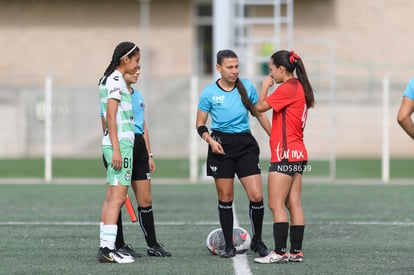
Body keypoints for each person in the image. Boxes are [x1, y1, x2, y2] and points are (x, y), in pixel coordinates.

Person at [196, 49, 272, 258]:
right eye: (229, 67)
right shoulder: (209, 93)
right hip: (220, 146)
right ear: (219, 68)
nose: (234, 71)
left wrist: (275, 137)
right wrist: (210, 141)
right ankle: (228, 245)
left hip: (245, 145)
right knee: (226, 197)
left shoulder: (246, 87)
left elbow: (259, 114)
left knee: (256, 196)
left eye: (236, 66)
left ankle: (257, 241)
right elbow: (200, 125)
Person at [254, 50, 315, 264]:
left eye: (271, 70)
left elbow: (260, 107)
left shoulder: (288, 87)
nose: (270, 74)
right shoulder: (299, 86)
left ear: (281, 69)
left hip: (285, 154)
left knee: (275, 203)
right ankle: (295, 251)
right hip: (298, 152)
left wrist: (264, 86)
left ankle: (280, 252)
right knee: (293, 203)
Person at [98, 41, 139, 264]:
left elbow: (104, 117)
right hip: (120, 144)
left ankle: (105, 246)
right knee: (118, 198)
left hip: (116, 143)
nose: (137, 65)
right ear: (126, 60)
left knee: (110, 197)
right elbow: (110, 117)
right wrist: (115, 148)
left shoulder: (108, 79)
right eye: (136, 61)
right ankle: (107, 249)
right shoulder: (115, 80)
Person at [125, 66, 172, 257]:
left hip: (140, 148)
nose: (137, 72)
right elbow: (106, 121)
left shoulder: (139, 96)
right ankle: (118, 244)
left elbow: (142, 126)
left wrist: (149, 154)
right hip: (123, 144)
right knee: (118, 199)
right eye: (134, 68)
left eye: (139, 69)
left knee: (146, 199)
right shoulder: (114, 94)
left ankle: (152, 245)